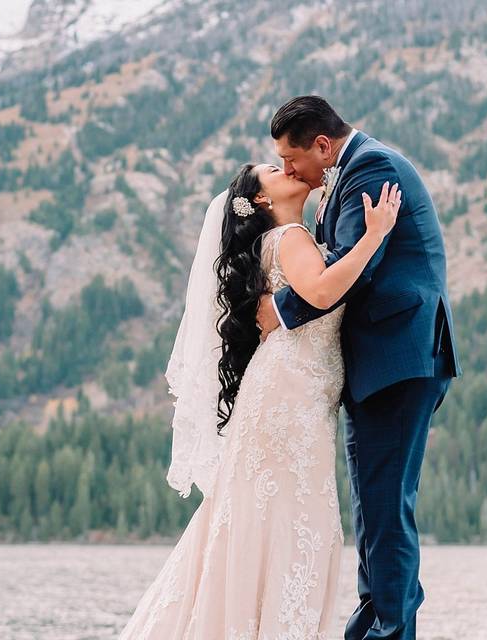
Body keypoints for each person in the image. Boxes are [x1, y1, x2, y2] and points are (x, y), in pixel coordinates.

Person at [117, 159, 401, 639]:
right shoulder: (289, 238)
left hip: (295, 397)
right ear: (263, 199)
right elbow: (320, 289)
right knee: (290, 521)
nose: (285, 166)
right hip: (288, 399)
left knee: (275, 519)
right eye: (273, 167)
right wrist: (375, 236)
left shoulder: (291, 237)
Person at [256, 95, 461, 640]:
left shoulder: (372, 167)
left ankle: (390, 631)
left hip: (397, 360)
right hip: (381, 365)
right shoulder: (346, 174)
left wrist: (277, 313)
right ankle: (374, 627)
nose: (287, 170)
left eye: (291, 157)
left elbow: (355, 268)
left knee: (387, 511)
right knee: (375, 510)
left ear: (322, 144)